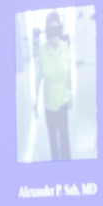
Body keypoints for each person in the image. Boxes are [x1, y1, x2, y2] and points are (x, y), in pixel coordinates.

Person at [33, 11, 72, 160]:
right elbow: (37, 78)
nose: (55, 36)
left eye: (57, 30)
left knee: (64, 137)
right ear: (47, 32)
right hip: (49, 104)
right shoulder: (42, 53)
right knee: (53, 141)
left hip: (63, 101)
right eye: (52, 31)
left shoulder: (65, 47)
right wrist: (35, 101)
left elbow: (68, 73)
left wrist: (71, 94)